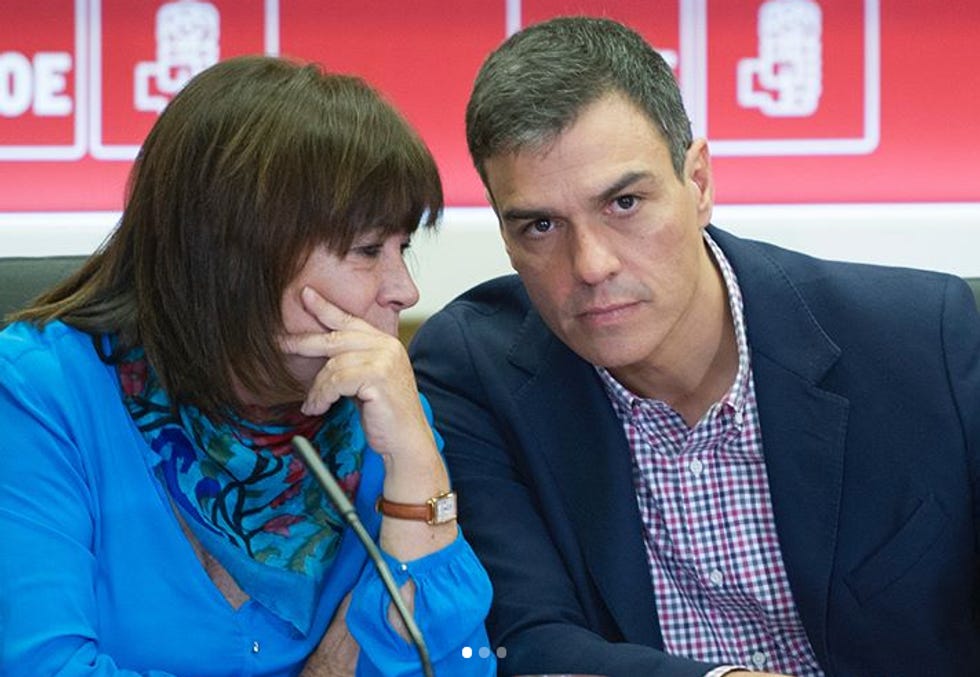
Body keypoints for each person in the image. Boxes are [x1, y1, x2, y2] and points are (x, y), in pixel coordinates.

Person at [409, 16, 980, 677]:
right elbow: (524, 643)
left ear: (699, 182)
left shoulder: (921, 342)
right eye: (541, 225)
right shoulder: (472, 371)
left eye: (624, 203)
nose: (591, 265)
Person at [0, 56, 495, 677]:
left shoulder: (382, 412)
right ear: (238, 255)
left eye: (403, 248)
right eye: (368, 250)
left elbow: (456, 667)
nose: (405, 290)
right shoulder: (41, 393)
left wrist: (419, 470)